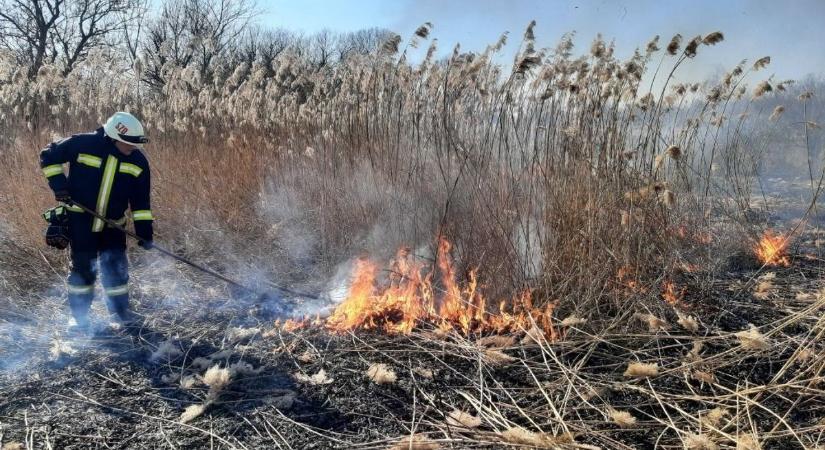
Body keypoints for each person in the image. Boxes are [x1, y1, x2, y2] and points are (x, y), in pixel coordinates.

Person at [40, 112, 154, 333]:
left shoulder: (138, 161)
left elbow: (141, 201)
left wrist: (145, 232)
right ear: (113, 136)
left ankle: (121, 315)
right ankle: (79, 319)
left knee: (117, 272)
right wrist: (59, 185)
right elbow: (48, 156)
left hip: (113, 226)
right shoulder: (83, 144)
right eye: (128, 143)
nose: (132, 148)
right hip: (80, 222)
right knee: (82, 271)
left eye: (135, 144)